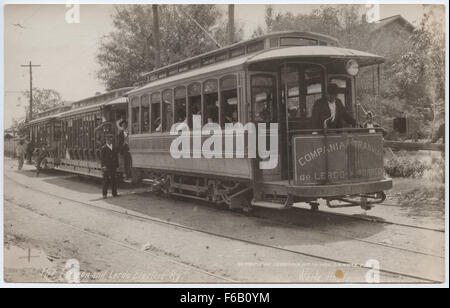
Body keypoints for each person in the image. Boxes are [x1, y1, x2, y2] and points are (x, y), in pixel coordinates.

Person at [100, 134, 119, 198]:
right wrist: (103, 166)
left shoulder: (114, 147)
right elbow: (102, 159)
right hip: (106, 167)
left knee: (114, 180)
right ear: (106, 140)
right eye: (108, 139)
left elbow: (116, 157)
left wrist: (117, 165)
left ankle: (114, 193)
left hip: (113, 166)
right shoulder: (103, 148)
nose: (110, 141)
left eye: (111, 139)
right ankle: (104, 194)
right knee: (106, 180)